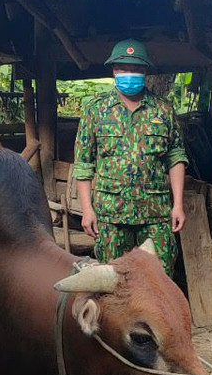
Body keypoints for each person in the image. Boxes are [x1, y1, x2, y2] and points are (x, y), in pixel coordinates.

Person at [73, 40, 187, 276]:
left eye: (135, 69)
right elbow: (84, 164)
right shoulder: (96, 110)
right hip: (110, 215)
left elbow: (175, 158)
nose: (129, 74)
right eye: (122, 68)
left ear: (145, 71)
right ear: (113, 70)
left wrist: (177, 205)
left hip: (155, 214)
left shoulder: (163, 110)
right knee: (111, 280)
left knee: (159, 278)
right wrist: (87, 209)